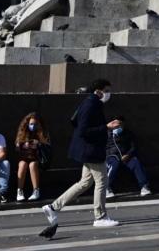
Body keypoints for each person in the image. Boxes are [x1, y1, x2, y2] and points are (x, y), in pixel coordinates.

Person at [42, 80, 119, 229]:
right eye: (107, 90)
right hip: (91, 150)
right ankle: (100, 216)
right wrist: (106, 127)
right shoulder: (92, 104)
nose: (109, 93)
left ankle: (53, 207)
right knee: (102, 182)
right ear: (99, 91)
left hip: (87, 150)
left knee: (84, 183)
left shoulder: (89, 102)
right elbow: (83, 130)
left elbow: (75, 122)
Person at [105, 115, 152, 198]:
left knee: (136, 162)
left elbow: (133, 146)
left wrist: (128, 154)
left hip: (125, 156)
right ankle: (106, 187)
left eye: (120, 124)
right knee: (114, 164)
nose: (118, 126)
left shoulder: (127, 133)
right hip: (112, 156)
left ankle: (144, 186)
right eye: (116, 123)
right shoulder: (106, 133)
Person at [13, 113, 50, 201]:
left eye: (35, 124)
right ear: (27, 124)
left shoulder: (43, 132)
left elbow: (47, 146)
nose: (33, 126)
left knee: (32, 165)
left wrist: (38, 144)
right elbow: (17, 148)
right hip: (25, 156)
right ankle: (19, 191)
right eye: (31, 124)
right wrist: (23, 145)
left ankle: (36, 191)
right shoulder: (22, 132)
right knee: (22, 165)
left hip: (38, 158)